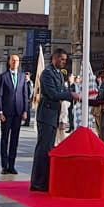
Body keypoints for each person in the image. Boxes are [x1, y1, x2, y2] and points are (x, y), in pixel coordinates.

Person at [31, 49, 75, 192]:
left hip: (53, 115)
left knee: (49, 148)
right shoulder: (47, 73)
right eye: (62, 59)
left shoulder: (59, 74)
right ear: (54, 58)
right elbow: (53, 93)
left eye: (65, 59)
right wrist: (71, 95)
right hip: (46, 115)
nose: (64, 62)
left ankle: (45, 180)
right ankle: (38, 182)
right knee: (43, 149)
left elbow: (61, 90)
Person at [0, 54, 31, 176]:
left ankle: (12, 165)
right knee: (5, 139)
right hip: (6, 113)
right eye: (13, 60)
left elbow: (25, 95)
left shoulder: (22, 77)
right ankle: (4, 166)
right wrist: (0, 112)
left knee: (15, 140)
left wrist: (25, 111)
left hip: (18, 112)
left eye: (17, 61)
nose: (15, 62)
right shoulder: (3, 77)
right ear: (9, 62)